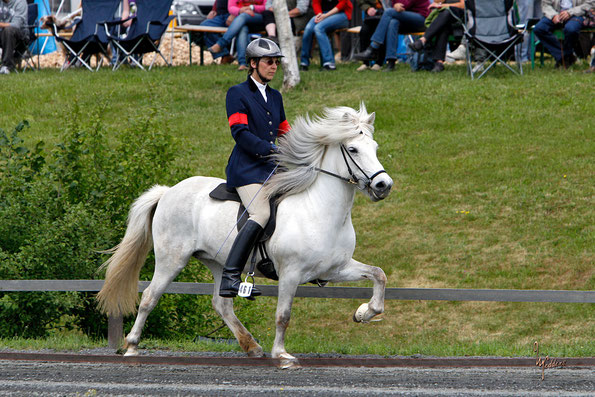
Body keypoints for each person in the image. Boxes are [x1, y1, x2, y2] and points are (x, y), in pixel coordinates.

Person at [219, 38, 290, 299]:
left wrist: (300, 153)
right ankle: (230, 277)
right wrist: (271, 150)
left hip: (272, 167)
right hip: (247, 168)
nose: (274, 66)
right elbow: (240, 133)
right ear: (253, 64)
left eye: (276, 62)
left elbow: (284, 131)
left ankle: (272, 258)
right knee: (260, 213)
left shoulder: (275, 96)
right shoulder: (237, 93)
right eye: (269, 62)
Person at [354, 0, 430, 71]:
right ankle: (391, 61)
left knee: (388, 12)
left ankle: (373, 47)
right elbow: (394, 4)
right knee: (393, 22)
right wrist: (395, 5)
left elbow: (404, 5)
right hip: (405, 17)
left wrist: (396, 5)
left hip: (421, 18)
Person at [533, 0, 594, 68]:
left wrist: (570, 12)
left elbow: (590, 4)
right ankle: (565, 57)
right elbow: (545, 4)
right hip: (555, 13)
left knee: (571, 29)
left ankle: (566, 57)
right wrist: (553, 15)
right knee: (539, 28)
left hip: (577, 14)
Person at [208, 0, 267, 71]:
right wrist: (240, 10)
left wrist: (252, 7)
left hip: (260, 18)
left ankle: (221, 43)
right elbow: (231, 7)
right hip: (241, 18)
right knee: (242, 28)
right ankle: (243, 63)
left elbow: (267, 6)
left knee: (243, 16)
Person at [408, 0, 465, 73]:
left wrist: (443, 6)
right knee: (443, 26)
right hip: (445, 22)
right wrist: (440, 3)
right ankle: (439, 63)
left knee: (446, 13)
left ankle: (423, 40)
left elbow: (463, 5)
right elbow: (437, 2)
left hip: (461, 21)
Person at [299, 0, 353, 70]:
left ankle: (329, 63)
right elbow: (316, 3)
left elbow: (343, 3)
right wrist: (319, 14)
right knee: (308, 29)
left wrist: (326, 16)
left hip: (342, 14)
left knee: (319, 28)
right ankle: (304, 63)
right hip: (323, 14)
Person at [0, 0, 28, 74]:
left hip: (20, 36)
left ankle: (7, 66)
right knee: (6, 31)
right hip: (2, 34)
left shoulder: (20, 2)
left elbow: (16, 25)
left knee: (9, 30)